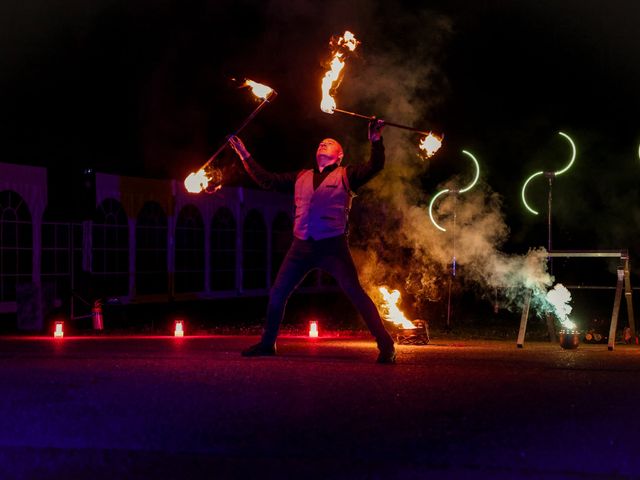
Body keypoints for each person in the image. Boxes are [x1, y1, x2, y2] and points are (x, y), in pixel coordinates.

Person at [228, 120, 396, 364]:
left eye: (330, 143)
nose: (323, 143)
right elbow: (267, 180)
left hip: (333, 247)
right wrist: (245, 155)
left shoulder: (347, 175)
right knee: (277, 293)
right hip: (301, 246)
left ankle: (386, 345)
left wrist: (376, 140)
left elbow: (375, 166)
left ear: (339, 156)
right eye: (320, 142)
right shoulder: (301, 176)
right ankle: (267, 344)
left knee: (355, 293)